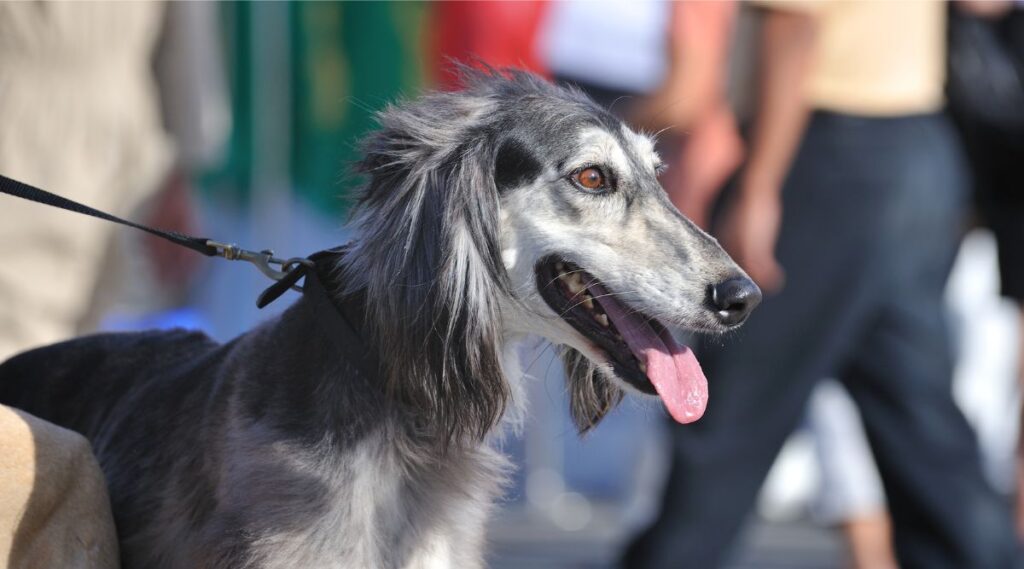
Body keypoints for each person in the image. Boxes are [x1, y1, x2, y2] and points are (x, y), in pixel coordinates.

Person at [621, 2, 1020, 567]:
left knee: (730, 411)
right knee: (920, 421)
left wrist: (760, 185)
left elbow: (792, 24)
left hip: (824, 155)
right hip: (919, 147)